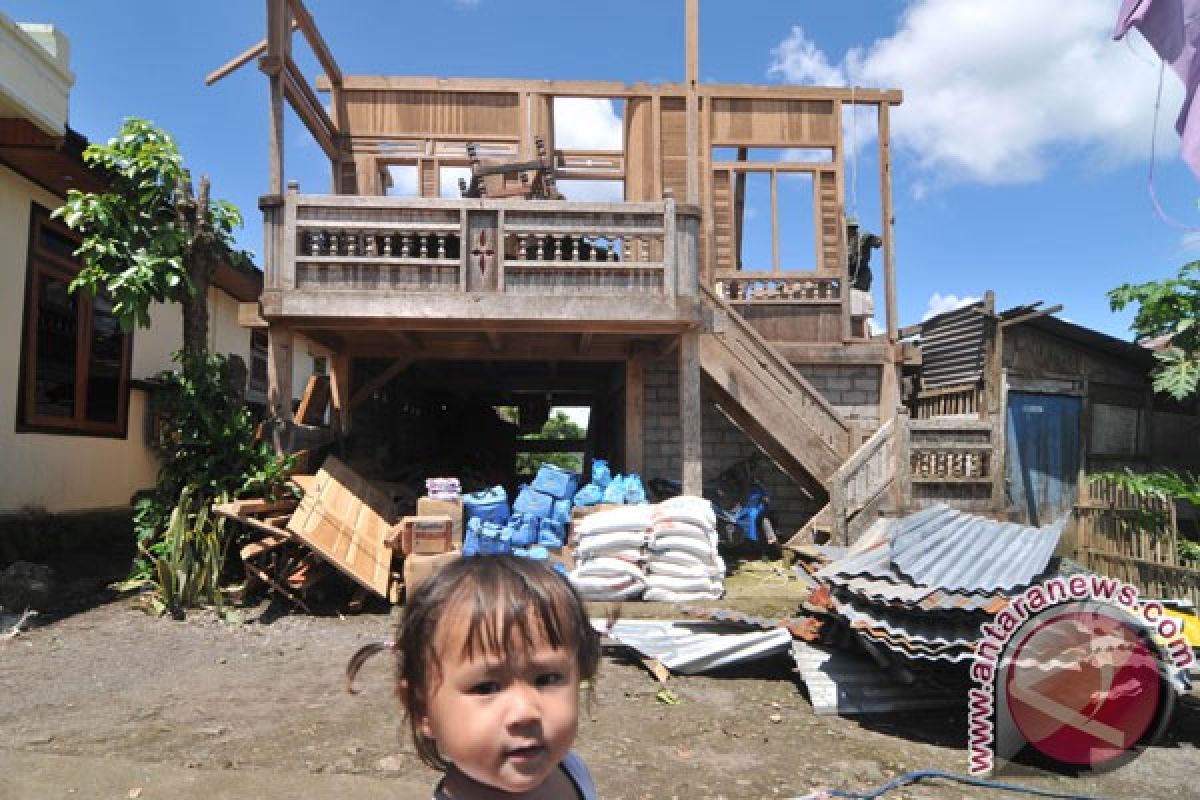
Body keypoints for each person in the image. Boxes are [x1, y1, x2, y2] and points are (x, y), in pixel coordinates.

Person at [347, 555, 601, 799]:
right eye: (487, 687)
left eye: (547, 679)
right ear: (421, 708)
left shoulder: (571, 771)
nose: (525, 712)